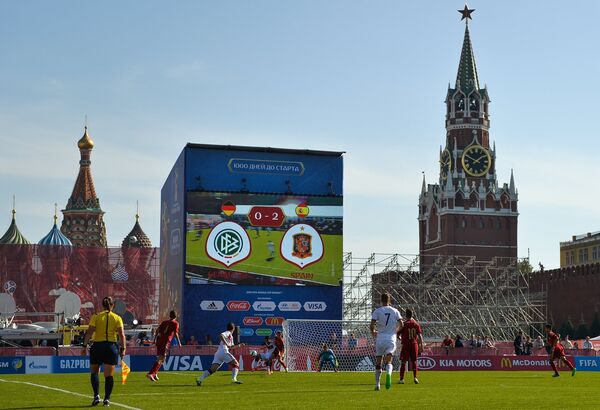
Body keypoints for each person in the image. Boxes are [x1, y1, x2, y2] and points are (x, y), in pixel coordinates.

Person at [82, 296, 126, 407]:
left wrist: (84, 346)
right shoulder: (117, 318)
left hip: (97, 346)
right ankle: (107, 399)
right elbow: (122, 335)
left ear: (102, 305)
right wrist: (123, 348)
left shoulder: (96, 316)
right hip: (111, 347)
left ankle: (96, 395)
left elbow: (89, 332)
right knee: (108, 375)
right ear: (112, 305)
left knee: (94, 372)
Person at [370, 292, 402, 391]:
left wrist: (373, 332)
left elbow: (372, 324)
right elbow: (401, 323)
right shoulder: (395, 311)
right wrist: (396, 332)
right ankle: (388, 373)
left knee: (379, 361)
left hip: (380, 338)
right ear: (389, 300)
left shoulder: (377, 311)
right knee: (389, 360)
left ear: (381, 300)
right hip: (391, 338)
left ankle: (377, 385)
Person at [146, 310, 181, 381]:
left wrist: (155, 339)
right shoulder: (175, 323)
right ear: (176, 316)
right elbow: (176, 334)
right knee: (161, 358)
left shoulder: (164, 322)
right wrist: (179, 343)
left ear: (169, 315)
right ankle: (150, 373)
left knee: (161, 358)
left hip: (159, 341)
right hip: (165, 342)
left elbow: (157, 330)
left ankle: (155, 373)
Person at [397, 308, 423, 385]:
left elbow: (397, 334)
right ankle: (415, 377)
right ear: (412, 315)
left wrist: (401, 338)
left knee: (403, 362)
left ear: (406, 315)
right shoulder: (416, 324)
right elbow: (420, 336)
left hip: (406, 345)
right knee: (414, 361)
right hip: (414, 344)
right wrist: (421, 345)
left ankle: (402, 379)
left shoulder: (404, 324)